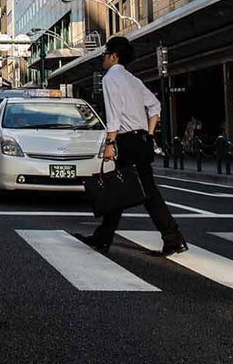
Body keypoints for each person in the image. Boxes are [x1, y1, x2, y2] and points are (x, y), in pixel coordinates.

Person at [79, 37, 188, 256]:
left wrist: (110, 142)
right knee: (122, 189)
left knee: (145, 193)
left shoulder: (110, 78)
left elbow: (114, 114)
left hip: (127, 140)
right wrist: (149, 133)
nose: (103, 58)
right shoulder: (133, 79)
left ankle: (173, 238)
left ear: (114, 56)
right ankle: (103, 237)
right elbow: (155, 106)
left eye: (105, 54)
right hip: (140, 140)